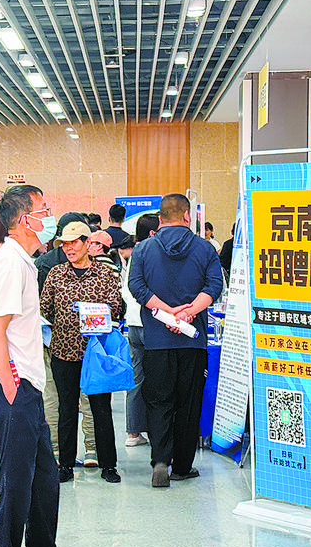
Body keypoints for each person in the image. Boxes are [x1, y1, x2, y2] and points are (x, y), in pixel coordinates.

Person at [0, 184, 81, 547]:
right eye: (44, 209)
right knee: (16, 485)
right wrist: (11, 387)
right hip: (12, 390)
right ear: (25, 220)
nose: (49, 215)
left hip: (25, 388)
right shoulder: (10, 263)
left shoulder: (21, 261)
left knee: (44, 481)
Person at [128, 193, 223, 488]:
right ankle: (182, 465)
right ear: (187, 216)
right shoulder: (205, 248)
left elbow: (136, 286)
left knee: (159, 401)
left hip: (156, 340)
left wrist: (168, 313)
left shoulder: (143, 249)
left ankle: (160, 461)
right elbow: (214, 286)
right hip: (193, 341)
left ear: (160, 219)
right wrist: (188, 313)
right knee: (189, 403)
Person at [40, 221, 125, 484]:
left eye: (73, 243)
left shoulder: (104, 273)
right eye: (64, 244)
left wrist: (94, 312)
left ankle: (108, 464)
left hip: (95, 353)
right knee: (66, 409)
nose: (68, 248)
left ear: (87, 243)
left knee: (100, 408)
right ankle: (65, 464)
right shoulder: (56, 274)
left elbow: (117, 307)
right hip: (63, 352)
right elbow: (44, 308)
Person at [122, 213, 159, 447]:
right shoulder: (152, 253)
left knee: (137, 378)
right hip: (152, 323)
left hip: (134, 323)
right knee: (158, 377)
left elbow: (127, 291)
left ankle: (133, 432)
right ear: (153, 233)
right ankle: (158, 431)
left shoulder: (135, 255)